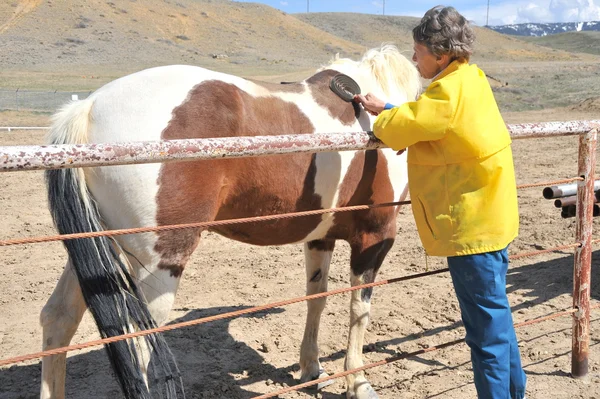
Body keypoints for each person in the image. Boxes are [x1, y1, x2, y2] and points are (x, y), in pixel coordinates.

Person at [354, 5, 527, 399]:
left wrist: (382, 119)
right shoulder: (469, 79)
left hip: (472, 230)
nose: (414, 59)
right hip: (492, 221)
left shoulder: (446, 91)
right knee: (497, 322)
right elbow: (430, 121)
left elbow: (418, 123)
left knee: (485, 335)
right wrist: (393, 109)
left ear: (441, 54)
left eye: (418, 51)